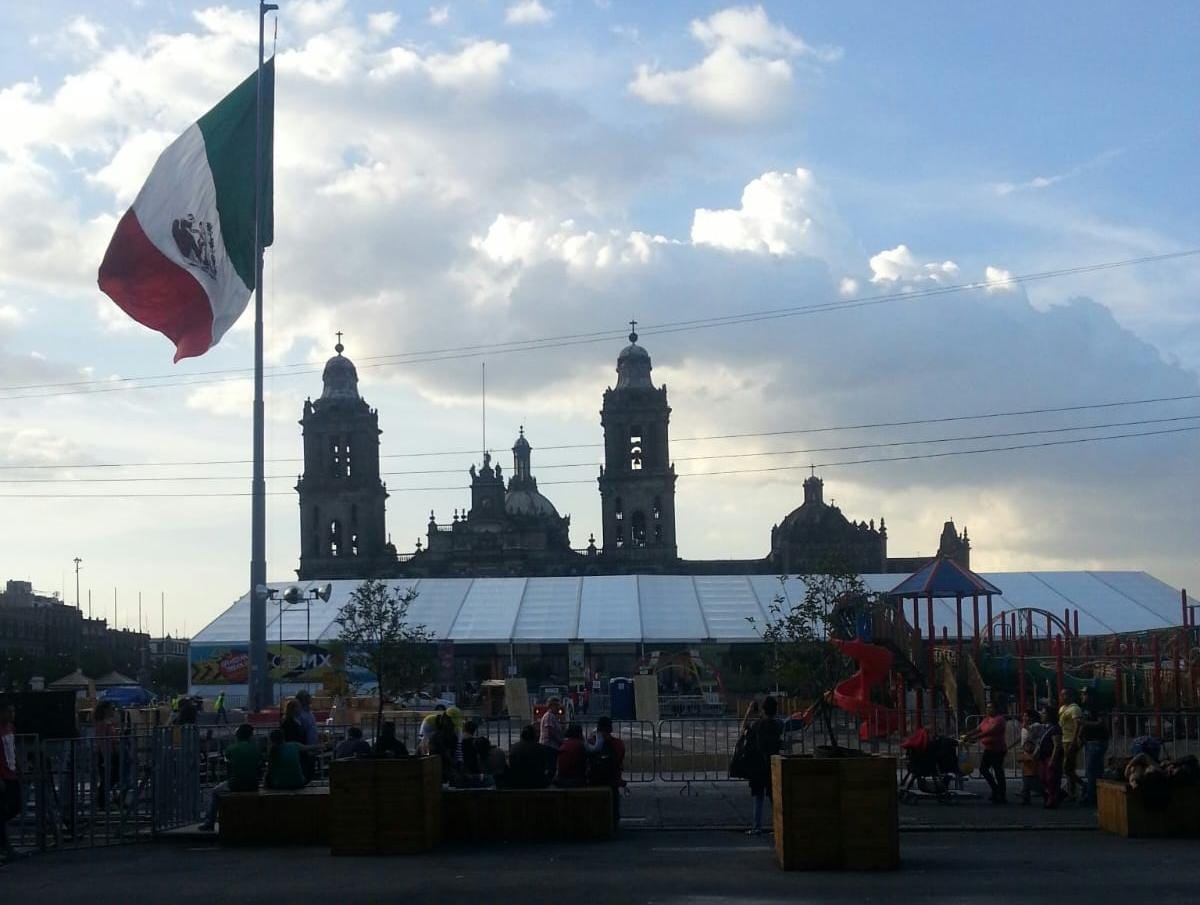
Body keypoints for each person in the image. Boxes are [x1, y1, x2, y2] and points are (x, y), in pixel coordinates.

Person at [199, 723, 260, 831]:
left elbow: (228, 767)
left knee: (215, 791)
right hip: (253, 784)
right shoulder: (255, 749)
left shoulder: (231, 749)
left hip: (236, 783)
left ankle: (210, 822)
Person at [744, 696, 782, 835]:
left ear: (763, 709)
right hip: (773, 763)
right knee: (774, 796)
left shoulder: (757, 725)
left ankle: (757, 826)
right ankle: (778, 826)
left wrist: (749, 712)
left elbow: (745, 728)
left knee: (758, 797)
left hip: (758, 764)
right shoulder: (778, 725)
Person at [963, 700, 1008, 804]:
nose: (988, 709)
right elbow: (978, 729)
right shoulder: (986, 719)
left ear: (996, 709)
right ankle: (995, 789)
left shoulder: (999, 720)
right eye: (987, 707)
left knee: (998, 771)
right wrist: (967, 735)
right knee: (983, 769)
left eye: (991, 707)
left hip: (998, 749)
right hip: (988, 749)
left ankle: (1001, 793)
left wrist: (973, 738)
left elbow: (989, 732)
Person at [586, 716, 626, 829]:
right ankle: (614, 822)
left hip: (594, 779)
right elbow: (620, 760)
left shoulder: (591, 743)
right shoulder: (618, 743)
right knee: (614, 797)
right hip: (612, 779)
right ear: (610, 729)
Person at [1079, 687, 1109, 806]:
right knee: (1094, 769)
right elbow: (1084, 722)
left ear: (1091, 696)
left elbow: (1101, 722)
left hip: (1098, 740)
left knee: (1092, 770)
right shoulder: (1085, 707)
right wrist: (1081, 734)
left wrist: (1084, 724)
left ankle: (1092, 796)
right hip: (1089, 741)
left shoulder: (1098, 706)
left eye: (1084, 694)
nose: (1082, 696)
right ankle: (1095, 793)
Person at [1, 703, 20, 863]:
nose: (12, 714)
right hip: (3, 774)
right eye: (9, 711)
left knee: (15, 806)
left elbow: (12, 748)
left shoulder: (10, 728)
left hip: (11, 772)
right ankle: (5, 847)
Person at [505, 724, 551, 789]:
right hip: (536, 783)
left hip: (517, 783)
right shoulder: (540, 748)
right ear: (534, 736)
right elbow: (544, 766)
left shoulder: (514, 747)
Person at [1036, 704, 1064, 809]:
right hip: (1043, 756)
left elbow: (1057, 745)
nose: (1042, 715)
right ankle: (1054, 795)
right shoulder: (1044, 728)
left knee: (1051, 778)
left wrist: (1053, 759)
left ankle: (1052, 799)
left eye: (1044, 713)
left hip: (1050, 756)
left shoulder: (1055, 728)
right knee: (1043, 778)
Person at [1058, 688, 1083, 802]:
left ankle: (1082, 785)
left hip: (1070, 740)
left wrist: (1074, 741)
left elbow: (1078, 725)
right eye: (1061, 695)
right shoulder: (1062, 708)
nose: (1062, 697)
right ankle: (1071, 792)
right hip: (1063, 739)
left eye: (1064, 695)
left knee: (1067, 767)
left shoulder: (1075, 708)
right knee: (1068, 768)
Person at [1018, 709, 1046, 805]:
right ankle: (1025, 795)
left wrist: (1025, 725)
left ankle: (1044, 792)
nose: (1024, 718)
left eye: (1026, 716)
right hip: (1026, 752)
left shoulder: (1036, 725)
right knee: (1026, 775)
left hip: (1033, 752)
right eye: (1024, 716)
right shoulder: (1025, 727)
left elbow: (1032, 734)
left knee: (1031, 776)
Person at [539, 697, 564, 776]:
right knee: (551, 767)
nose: (558, 708)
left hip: (551, 746)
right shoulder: (549, 716)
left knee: (551, 767)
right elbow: (550, 730)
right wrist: (559, 740)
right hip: (549, 746)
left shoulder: (552, 716)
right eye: (557, 706)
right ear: (552, 706)